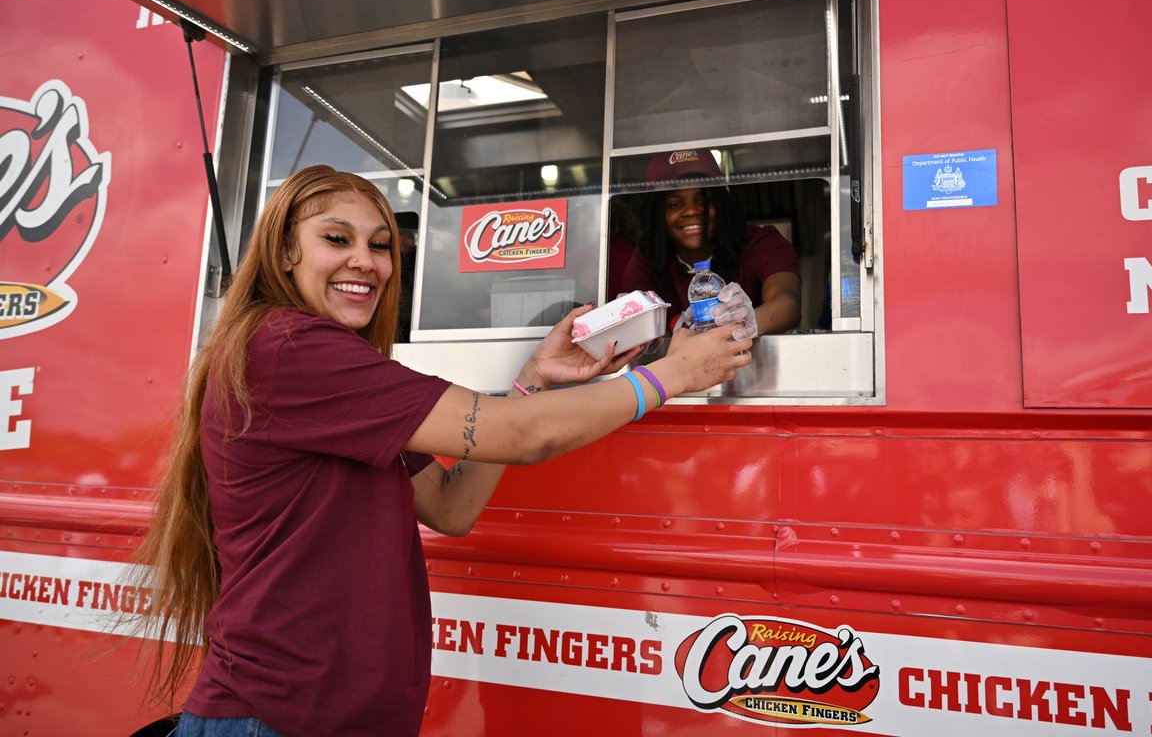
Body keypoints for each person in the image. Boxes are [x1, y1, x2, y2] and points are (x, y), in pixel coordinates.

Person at [131, 165, 751, 737]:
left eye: (379, 244)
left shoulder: (331, 367)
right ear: (286, 251)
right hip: (281, 719)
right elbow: (522, 435)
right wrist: (669, 375)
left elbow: (451, 508)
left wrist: (533, 378)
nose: (366, 262)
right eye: (336, 239)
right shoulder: (289, 348)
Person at [620, 149, 802, 337]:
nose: (692, 211)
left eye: (704, 201)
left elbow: (788, 302)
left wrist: (751, 320)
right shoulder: (648, 259)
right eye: (676, 204)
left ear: (722, 203)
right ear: (657, 214)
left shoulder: (760, 242)